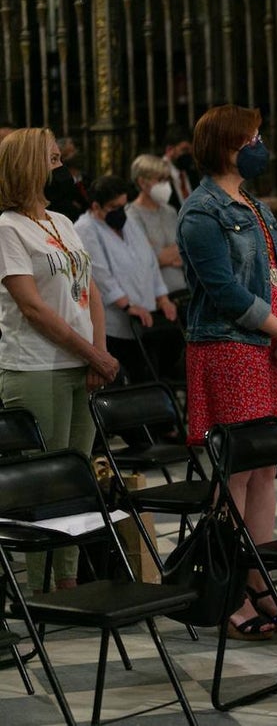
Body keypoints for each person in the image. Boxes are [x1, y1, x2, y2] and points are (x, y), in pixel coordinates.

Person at [176, 105, 277, 641]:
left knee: (266, 468)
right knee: (234, 472)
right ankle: (228, 591)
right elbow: (224, 292)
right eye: (253, 137)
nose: (261, 145)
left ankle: (258, 577)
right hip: (231, 347)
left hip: (272, 344)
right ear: (230, 146)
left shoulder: (253, 204)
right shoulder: (201, 212)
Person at [0, 128, 120, 592]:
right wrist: (91, 352)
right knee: (44, 481)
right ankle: (41, 586)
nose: (62, 169)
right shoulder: (8, 229)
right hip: (36, 367)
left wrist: (99, 354)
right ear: (30, 166)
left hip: (80, 364)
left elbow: (89, 292)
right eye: (53, 160)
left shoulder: (62, 223)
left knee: (76, 476)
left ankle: (68, 579)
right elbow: (32, 308)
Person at [75, 175, 177, 385]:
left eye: (123, 205)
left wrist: (163, 297)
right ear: (96, 206)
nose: (120, 211)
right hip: (113, 324)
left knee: (150, 378)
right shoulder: (85, 228)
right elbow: (100, 274)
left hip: (146, 320)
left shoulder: (128, 222)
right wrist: (127, 305)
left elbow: (149, 259)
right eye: (114, 207)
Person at [126, 154, 186, 298]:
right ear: (142, 182)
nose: (165, 185)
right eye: (160, 180)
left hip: (182, 291)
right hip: (154, 298)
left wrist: (164, 253)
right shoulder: (132, 215)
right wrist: (173, 253)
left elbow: (187, 250)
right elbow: (148, 259)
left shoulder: (170, 211)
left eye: (167, 179)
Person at [163, 126, 200, 209]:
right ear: (169, 150)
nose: (189, 155)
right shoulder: (158, 174)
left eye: (191, 151)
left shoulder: (193, 173)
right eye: (185, 150)